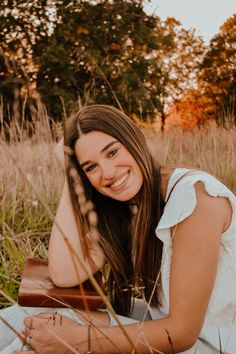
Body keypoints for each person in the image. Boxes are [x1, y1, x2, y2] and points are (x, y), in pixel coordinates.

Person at [0, 104, 235, 354]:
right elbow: (63, 274)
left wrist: (78, 338)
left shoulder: (196, 199)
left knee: (64, 329)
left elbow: (181, 332)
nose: (108, 173)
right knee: (52, 311)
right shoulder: (129, 205)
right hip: (168, 329)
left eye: (112, 153)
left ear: (133, 139)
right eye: (90, 167)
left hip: (213, 346)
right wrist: (72, 177)